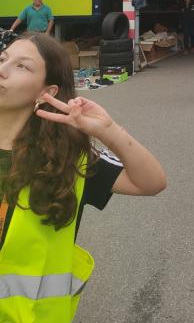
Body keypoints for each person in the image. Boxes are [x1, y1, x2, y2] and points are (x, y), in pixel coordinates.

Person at [0, 33, 166, 322]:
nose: (2, 68)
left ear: (46, 92)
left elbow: (151, 182)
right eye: (3, 59)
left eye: (22, 66)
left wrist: (108, 129)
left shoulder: (66, 160)